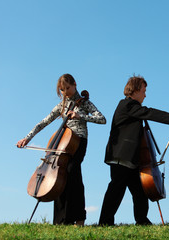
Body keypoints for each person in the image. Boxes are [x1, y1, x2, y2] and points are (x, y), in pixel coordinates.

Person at [17, 73, 106, 226]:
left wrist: (80, 116)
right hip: (61, 144)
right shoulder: (62, 106)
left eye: (67, 88)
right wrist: (27, 138)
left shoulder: (85, 103)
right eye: (62, 90)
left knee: (73, 173)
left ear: (75, 84)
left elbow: (102, 119)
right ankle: (61, 220)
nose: (66, 92)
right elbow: (43, 122)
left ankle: (79, 217)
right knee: (58, 177)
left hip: (78, 142)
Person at [98, 75, 169, 226]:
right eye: (144, 90)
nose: (145, 94)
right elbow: (148, 112)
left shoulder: (132, 107)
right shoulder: (127, 105)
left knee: (139, 191)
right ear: (135, 90)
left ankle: (142, 220)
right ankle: (105, 222)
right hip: (121, 156)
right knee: (116, 189)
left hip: (130, 159)